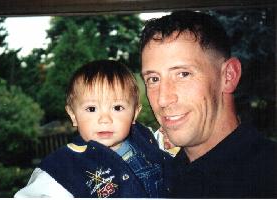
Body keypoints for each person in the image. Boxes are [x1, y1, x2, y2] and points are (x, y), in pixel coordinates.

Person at [140, 10, 277, 198]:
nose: (163, 99)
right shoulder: (157, 179)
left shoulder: (268, 178)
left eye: (183, 74)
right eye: (153, 79)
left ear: (228, 75)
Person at [14, 59, 174, 198]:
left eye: (117, 108)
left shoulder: (145, 138)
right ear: (73, 116)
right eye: (91, 109)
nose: (105, 119)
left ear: (134, 114)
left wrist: (169, 141)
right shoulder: (62, 167)